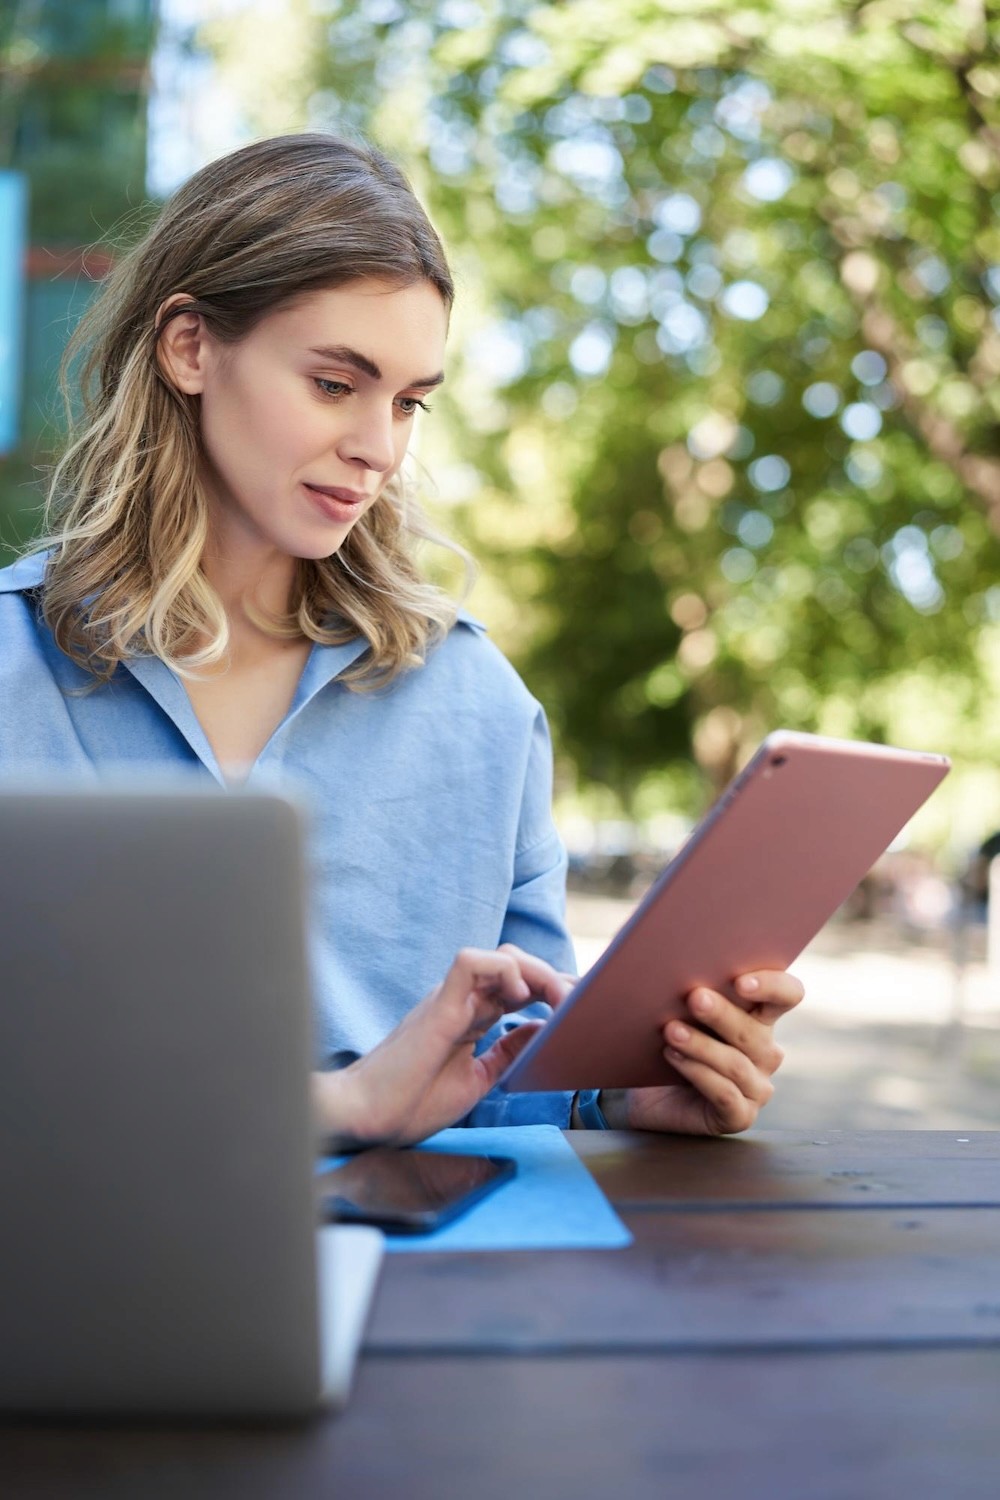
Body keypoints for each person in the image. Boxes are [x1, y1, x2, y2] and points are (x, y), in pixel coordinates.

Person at [0, 133, 803, 1144]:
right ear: (191, 347)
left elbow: (507, 1067)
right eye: (336, 384)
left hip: (427, 1247)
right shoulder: (12, 671)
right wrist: (331, 1110)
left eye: (409, 402)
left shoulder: (477, 704)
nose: (378, 448)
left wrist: (615, 1092)